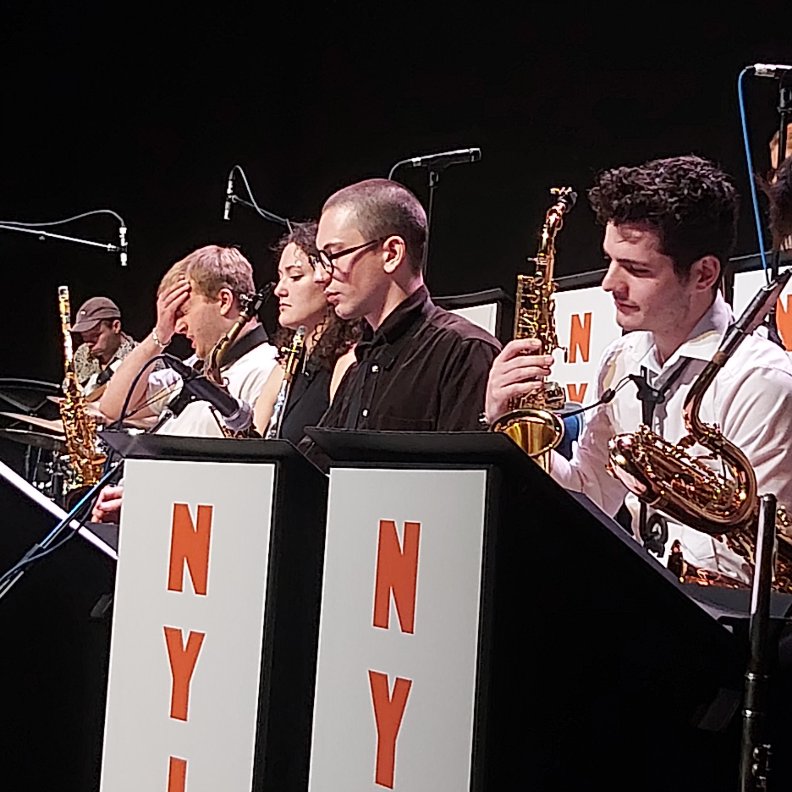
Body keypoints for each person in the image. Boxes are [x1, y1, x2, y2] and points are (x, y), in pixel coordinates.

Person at [484, 154, 792, 588]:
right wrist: (507, 426)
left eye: (636, 269)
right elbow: (590, 492)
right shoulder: (620, 360)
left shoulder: (763, 383)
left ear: (704, 274)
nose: (610, 283)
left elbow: (761, 566)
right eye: (611, 260)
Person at [297, 177, 502, 466]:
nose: (320, 276)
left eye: (333, 255)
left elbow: (465, 488)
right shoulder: (361, 363)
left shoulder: (464, 352)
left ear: (391, 254)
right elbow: (313, 467)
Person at [91, 244, 279, 521]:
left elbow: (246, 481)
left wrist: (149, 498)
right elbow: (112, 408)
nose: (178, 327)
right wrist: (159, 334)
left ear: (224, 300)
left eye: (182, 312)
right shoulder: (191, 366)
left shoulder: (266, 369)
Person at [252, 221, 361, 443]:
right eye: (281, 276)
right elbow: (254, 437)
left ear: (326, 278)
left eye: (295, 276)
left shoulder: (347, 362)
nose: (279, 289)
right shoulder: (287, 364)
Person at [71, 296, 137, 398]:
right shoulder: (82, 353)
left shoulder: (142, 357)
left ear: (116, 326)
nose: (88, 343)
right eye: (84, 337)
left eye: (95, 335)